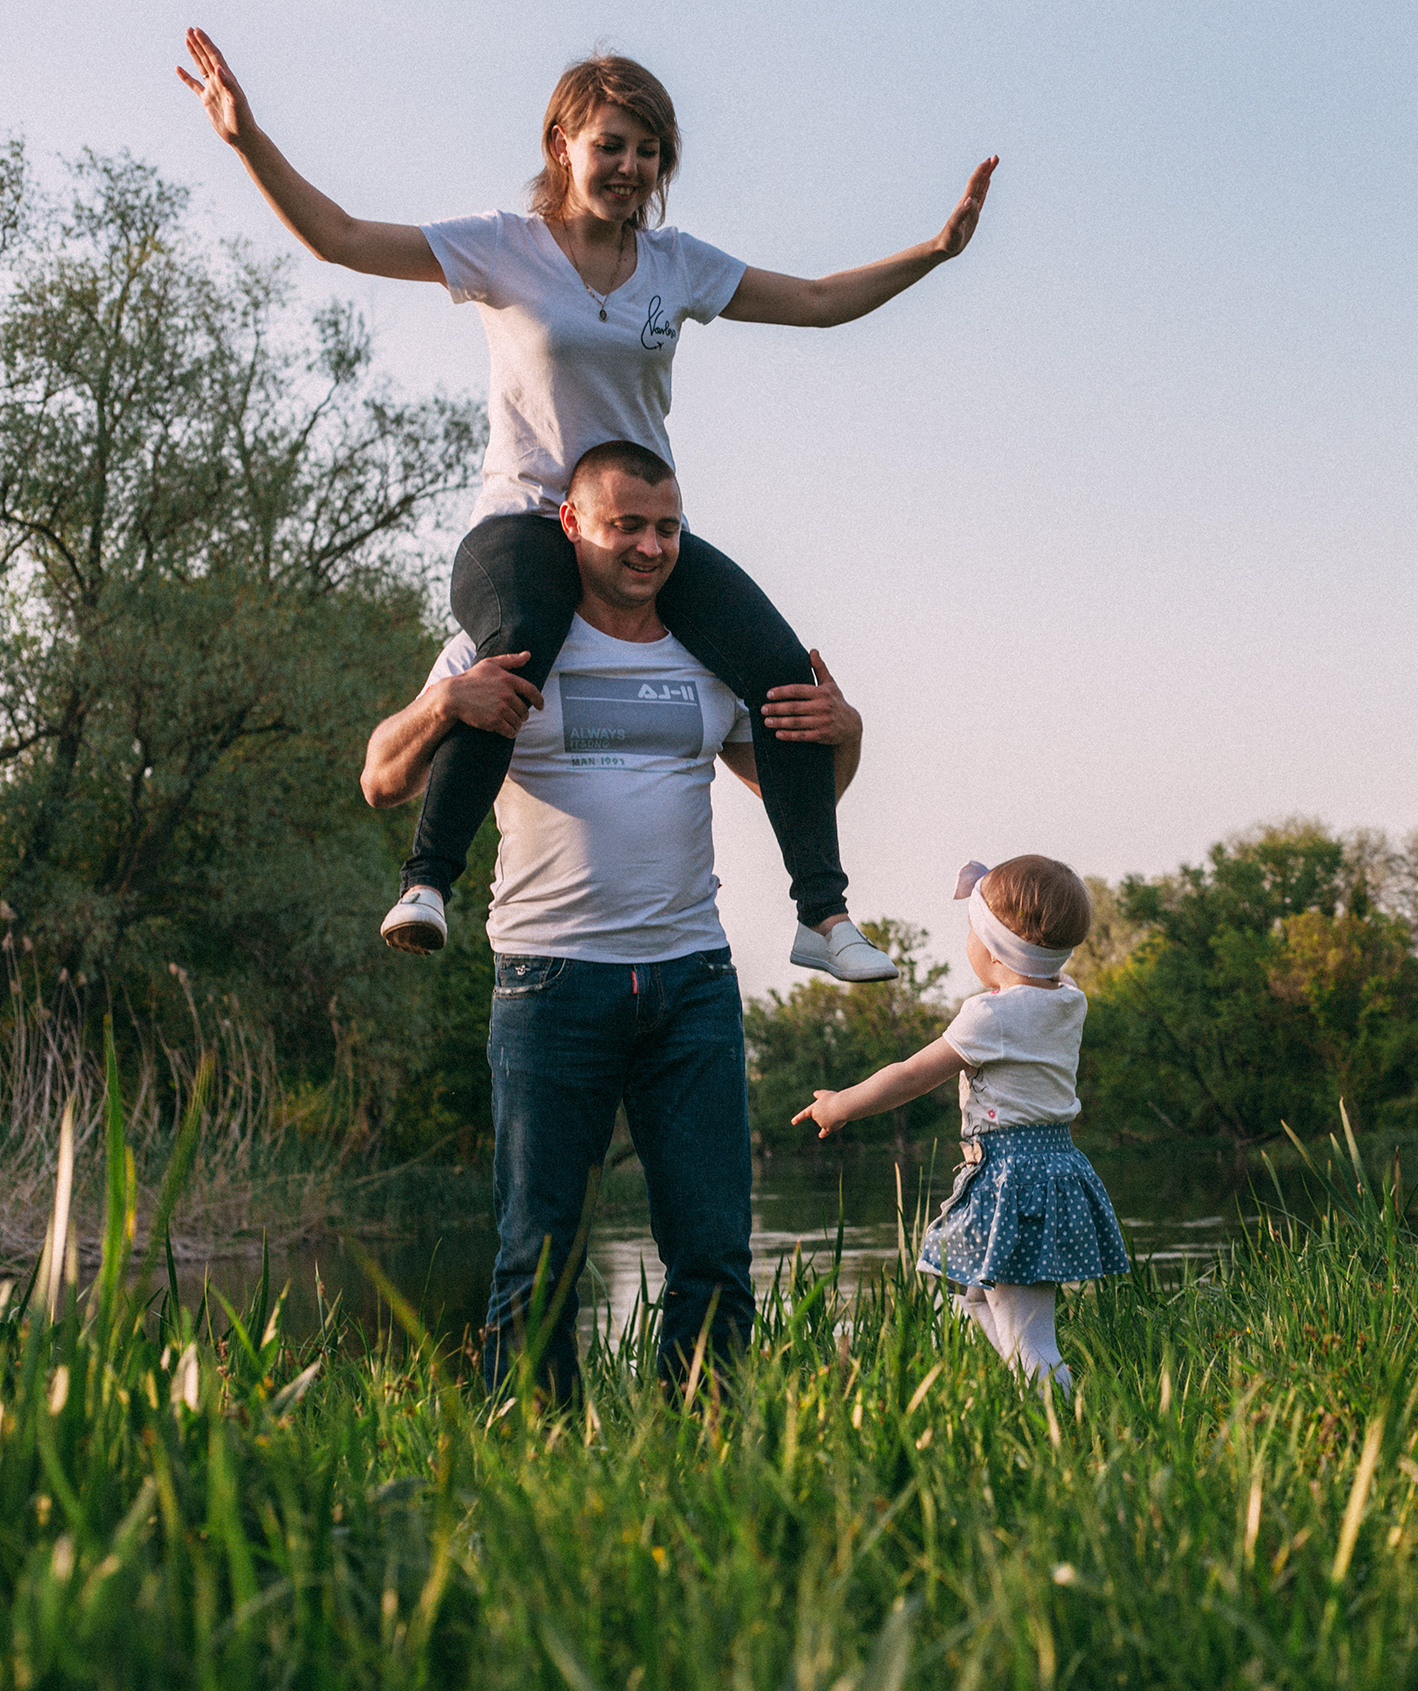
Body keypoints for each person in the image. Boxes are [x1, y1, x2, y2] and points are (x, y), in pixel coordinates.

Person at [179, 28, 996, 984]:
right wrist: (246, 139)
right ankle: (429, 882)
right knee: (516, 648)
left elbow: (815, 300)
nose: (630, 166)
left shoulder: (677, 265)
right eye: (611, 144)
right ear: (562, 143)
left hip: (639, 527)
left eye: (647, 151)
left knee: (782, 672)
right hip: (526, 522)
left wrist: (936, 252)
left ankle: (822, 913)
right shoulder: (502, 248)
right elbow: (342, 237)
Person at [359, 442, 862, 1398]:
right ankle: (537, 1456)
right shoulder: (506, 638)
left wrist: (848, 732)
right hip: (552, 983)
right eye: (627, 524)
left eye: (667, 527)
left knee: (713, 1254)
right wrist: (442, 702)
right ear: (573, 523)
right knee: (536, 1257)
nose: (650, 546)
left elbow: (797, 789)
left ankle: (706, 1459)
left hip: (693, 982)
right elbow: (381, 778)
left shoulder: (711, 654)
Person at [795, 856, 1129, 1390]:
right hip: (1047, 1171)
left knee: (1031, 1337)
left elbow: (909, 1076)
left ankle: (1064, 1421)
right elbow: (1045, 967)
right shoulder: (1069, 999)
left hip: (1013, 1180)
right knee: (974, 1294)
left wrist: (839, 1106)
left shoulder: (990, 1017)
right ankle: (1028, 1393)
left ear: (993, 949)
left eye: (973, 930)